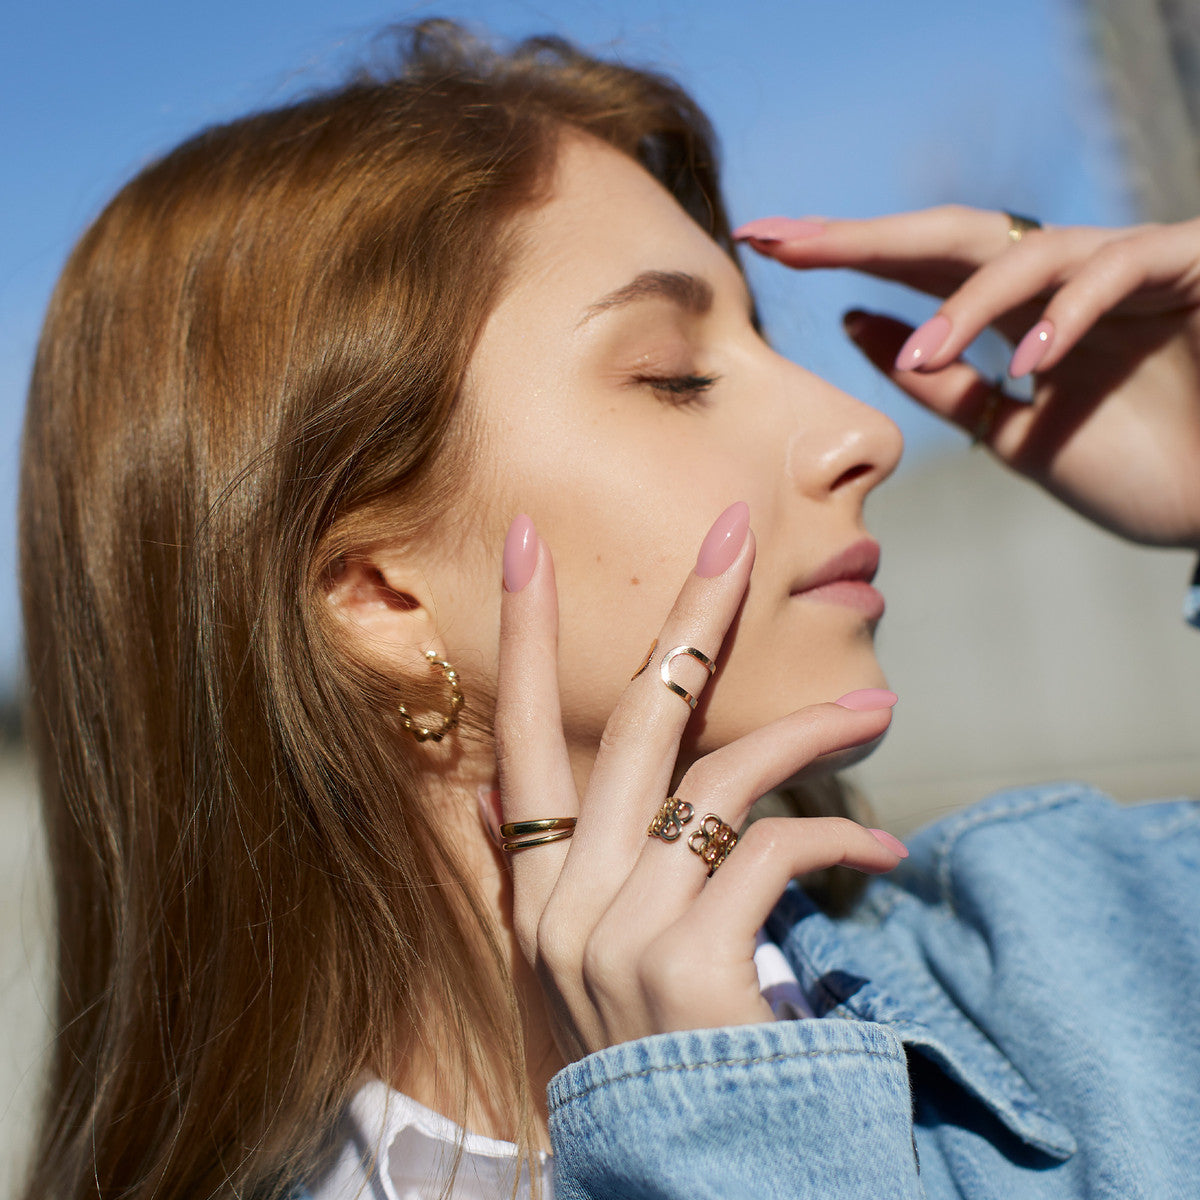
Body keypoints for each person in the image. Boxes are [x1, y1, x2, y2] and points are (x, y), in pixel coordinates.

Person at [17, 19, 1200, 1200]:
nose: (867, 433)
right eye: (674, 376)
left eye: (760, 337)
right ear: (373, 593)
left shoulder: (1097, 954)